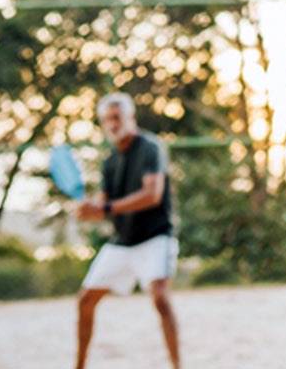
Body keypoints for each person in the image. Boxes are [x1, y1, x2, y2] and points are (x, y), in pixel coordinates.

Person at [75, 92, 180, 369]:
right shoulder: (109, 161)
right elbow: (104, 205)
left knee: (160, 298)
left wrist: (106, 207)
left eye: (116, 117)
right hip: (122, 242)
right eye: (107, 119)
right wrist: (90, 210)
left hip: (156, 237)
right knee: (86, 300)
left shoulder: (150, 147)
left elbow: (152, 195)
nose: (112, 124)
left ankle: (177, 366)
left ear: (130, 117)